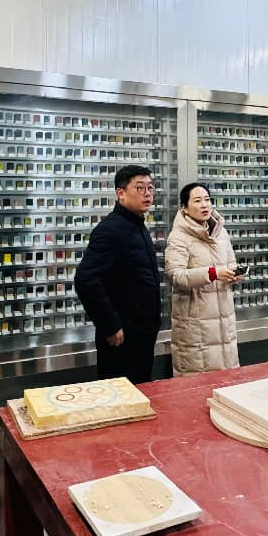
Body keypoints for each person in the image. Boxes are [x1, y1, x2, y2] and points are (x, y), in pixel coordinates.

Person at [74, 165, 161, 384]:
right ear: (120, 193)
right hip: (122, 336)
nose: (148, 194)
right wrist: (110, 325)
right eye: (140, 188)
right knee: (119, 393)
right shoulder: (110, 229)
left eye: (150, 188)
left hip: (142, 333)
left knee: (141, 390)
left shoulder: (137, 225)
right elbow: (86, 280)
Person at [164, 183, 242, 376]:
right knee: (197, 383)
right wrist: (213, 273)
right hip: (195, 327)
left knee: (227, 382)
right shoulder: (178, 237)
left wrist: (234, 274)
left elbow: (230, 263)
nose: (204, 205)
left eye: (207, 199)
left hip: (224, 323)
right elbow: (176, 275)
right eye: (197, 201)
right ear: (185, 207)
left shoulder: (221, 232)